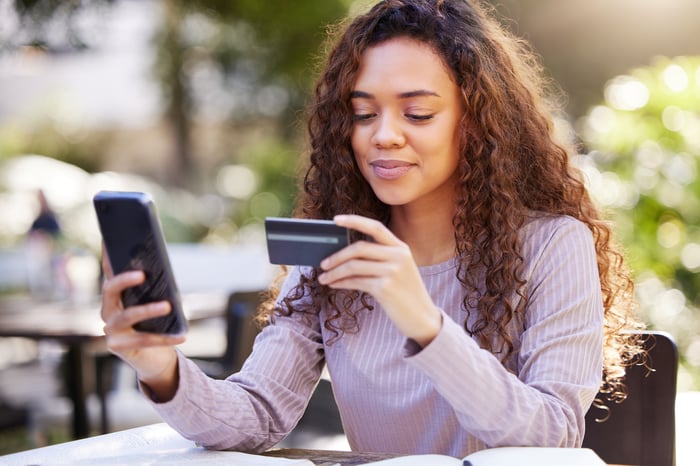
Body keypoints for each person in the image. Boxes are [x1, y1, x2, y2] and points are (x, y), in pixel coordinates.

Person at [100, 0, 645, 457]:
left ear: (477, 121)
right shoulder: (333, 253)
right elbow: (256, 416)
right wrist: (161, 368)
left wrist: (424, 321)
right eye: (363, 114)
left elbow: (551, 438)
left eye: (417, 114)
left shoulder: (552, 244)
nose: (382, 136)